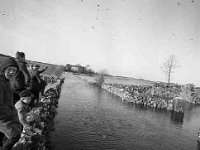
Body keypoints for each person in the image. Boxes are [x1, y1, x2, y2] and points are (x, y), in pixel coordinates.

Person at [0, 57, 22, 150]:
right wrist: (10, 115)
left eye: (14, 70)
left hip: (7, 116)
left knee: (5, 136)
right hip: (3, 118)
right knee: (14, 135)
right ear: (4, 69)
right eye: (9, 69)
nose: (12, 72)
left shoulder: (6, 81)